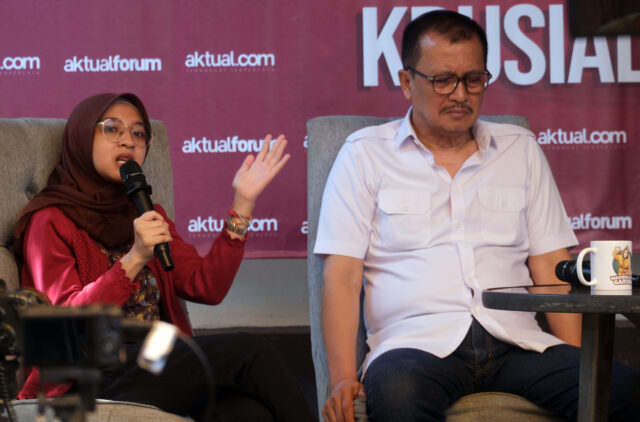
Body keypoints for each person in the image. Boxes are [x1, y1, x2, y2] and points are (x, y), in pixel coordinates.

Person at [314, 10, 640, 422]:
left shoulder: (519, 148)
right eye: (443, 80)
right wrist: (342, 377)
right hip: (415, 346)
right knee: (398, 394)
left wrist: (580, 367)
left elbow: (549, 264)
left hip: (516, 342)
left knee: (621, 389)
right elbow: (342, 275)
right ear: (406, 82)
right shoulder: (363, 155)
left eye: (473, 79)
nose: (460, 94)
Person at [14, 92, 317, 422]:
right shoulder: (50, 220)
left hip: (153, 356)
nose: (128, 141)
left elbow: (207, 286)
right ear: (83, 138)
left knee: (250, 414)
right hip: (87, 371)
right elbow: (64, 321)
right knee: (251, 351)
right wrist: (135, 258)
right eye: (112, 129)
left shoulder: (146, 211)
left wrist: (242, 204)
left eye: (138, 133)